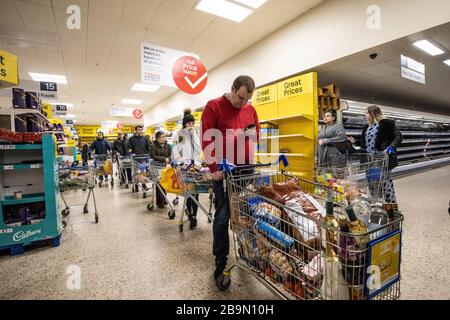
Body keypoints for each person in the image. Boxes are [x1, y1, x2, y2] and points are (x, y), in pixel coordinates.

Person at [200, 75, 259, 290]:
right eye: (240, 98)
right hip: (224, 173)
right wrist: (214, 169)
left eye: (247, 99)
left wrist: (252, 135)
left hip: (245, 170)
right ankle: (220, 261)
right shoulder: (214, 106)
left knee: (245, 214)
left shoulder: (250, 109)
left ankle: (247, 250)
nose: (243, 103)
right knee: (223, 217)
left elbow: (256, 135)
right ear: (232, 89)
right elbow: (207, 138)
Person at [349, 105, 403, 203]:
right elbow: (365, 144)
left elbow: (398, 136)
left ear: (373, 114)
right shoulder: (367, 127)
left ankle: (391, 207)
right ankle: (376, 205)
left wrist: (391, 147)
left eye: (367, 113)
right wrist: (354, 141)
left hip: (382, 158)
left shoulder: (386, 123)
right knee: (372, 183)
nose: (365, 115)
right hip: (369, 160)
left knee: (385, 183)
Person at [172, 108, 202, 229]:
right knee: (188, 192)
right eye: (188, 123)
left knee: (196, 192)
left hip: (196, 167)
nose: (191, 125)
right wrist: (180, 162)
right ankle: (190, 213)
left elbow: (198, 149)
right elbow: (175, 150)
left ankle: (194, 215)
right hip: (185, 167)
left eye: (192, 123)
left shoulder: (195, 133)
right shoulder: (180, 135)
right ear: (184, 124)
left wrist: (193, 134)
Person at [317, 110, 348, 178]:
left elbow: (341, 137)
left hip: (334, 159)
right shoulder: (323, 129)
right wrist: (316, 156)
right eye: (324, 116)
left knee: (335, 180)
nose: (325, 118)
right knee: (325, 180)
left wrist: (326, 140)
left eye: (328, 116)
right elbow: (318, 143)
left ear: (333, 118)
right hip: (323, 160)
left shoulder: (338, 127)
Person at [149, 131, 172, 208]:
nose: (164, 139)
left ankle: (164, 199)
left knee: (165, 183)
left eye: (164, 137)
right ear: (157, 138)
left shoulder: (168, 146)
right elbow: (153, 156)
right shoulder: (152, 146)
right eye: (162, 137)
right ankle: (160, 202)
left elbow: (171, 155)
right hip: (156, 167)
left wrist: (168, 159)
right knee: (159, 184)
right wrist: (164, 159)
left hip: (165, 167)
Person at [128, 126, 151, 192]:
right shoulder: (131, 139)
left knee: (143, 173)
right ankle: (136, 186)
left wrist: (149, 152)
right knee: (136, 173)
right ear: (135, 130)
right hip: (135, 158)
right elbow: (129, 148)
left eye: (141, 130)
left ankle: (143, 185)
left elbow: (148, 147)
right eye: (138, 130)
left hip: (144, 158)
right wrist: (130, 152)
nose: (140, 131)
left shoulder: (145, 138)